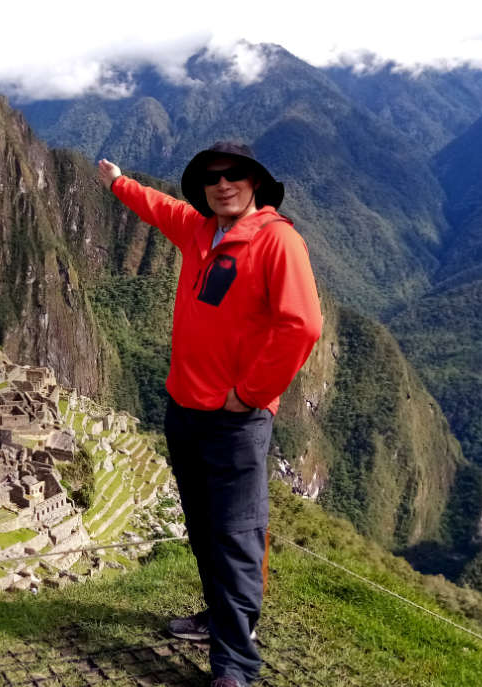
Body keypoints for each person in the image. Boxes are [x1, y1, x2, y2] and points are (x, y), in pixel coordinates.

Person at [98, 142, 322, 687]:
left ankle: (235, 665)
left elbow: (304, 325)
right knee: (202, 525)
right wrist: (117, 183)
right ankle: (217, 619)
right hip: (185, 408)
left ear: (255, 183)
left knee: (237, 534)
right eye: (212, 178)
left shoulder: (277, 241)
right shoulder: (201, 232)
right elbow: (159, 209)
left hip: (235, 422)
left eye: (234, 176)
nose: (222, 185)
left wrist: (249, 393)